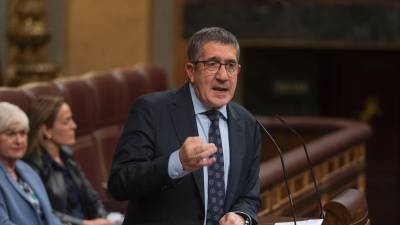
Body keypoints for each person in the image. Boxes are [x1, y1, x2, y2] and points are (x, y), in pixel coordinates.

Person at [108, 27, 261, 225]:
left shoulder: (246, 123)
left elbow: (249, 196)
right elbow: (120, 183)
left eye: (230, 65)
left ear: (238, 71)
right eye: (212, 64)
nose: (223, 76)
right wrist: (176, 163)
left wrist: (241, 215)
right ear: (190, 71)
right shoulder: (152, 110)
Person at [23, 96, 115, 225]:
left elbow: (92, 198)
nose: (74, 126)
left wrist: (104, 220)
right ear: (46, 130)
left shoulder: (67, 156)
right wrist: (85, 224)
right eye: (66, 122)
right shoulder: (31, 167)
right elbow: (45, 213)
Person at [0, 102, 63, 225]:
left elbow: (50, 216)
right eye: (11, 134)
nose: (19, 141)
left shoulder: (27, 169)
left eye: (23, 133)